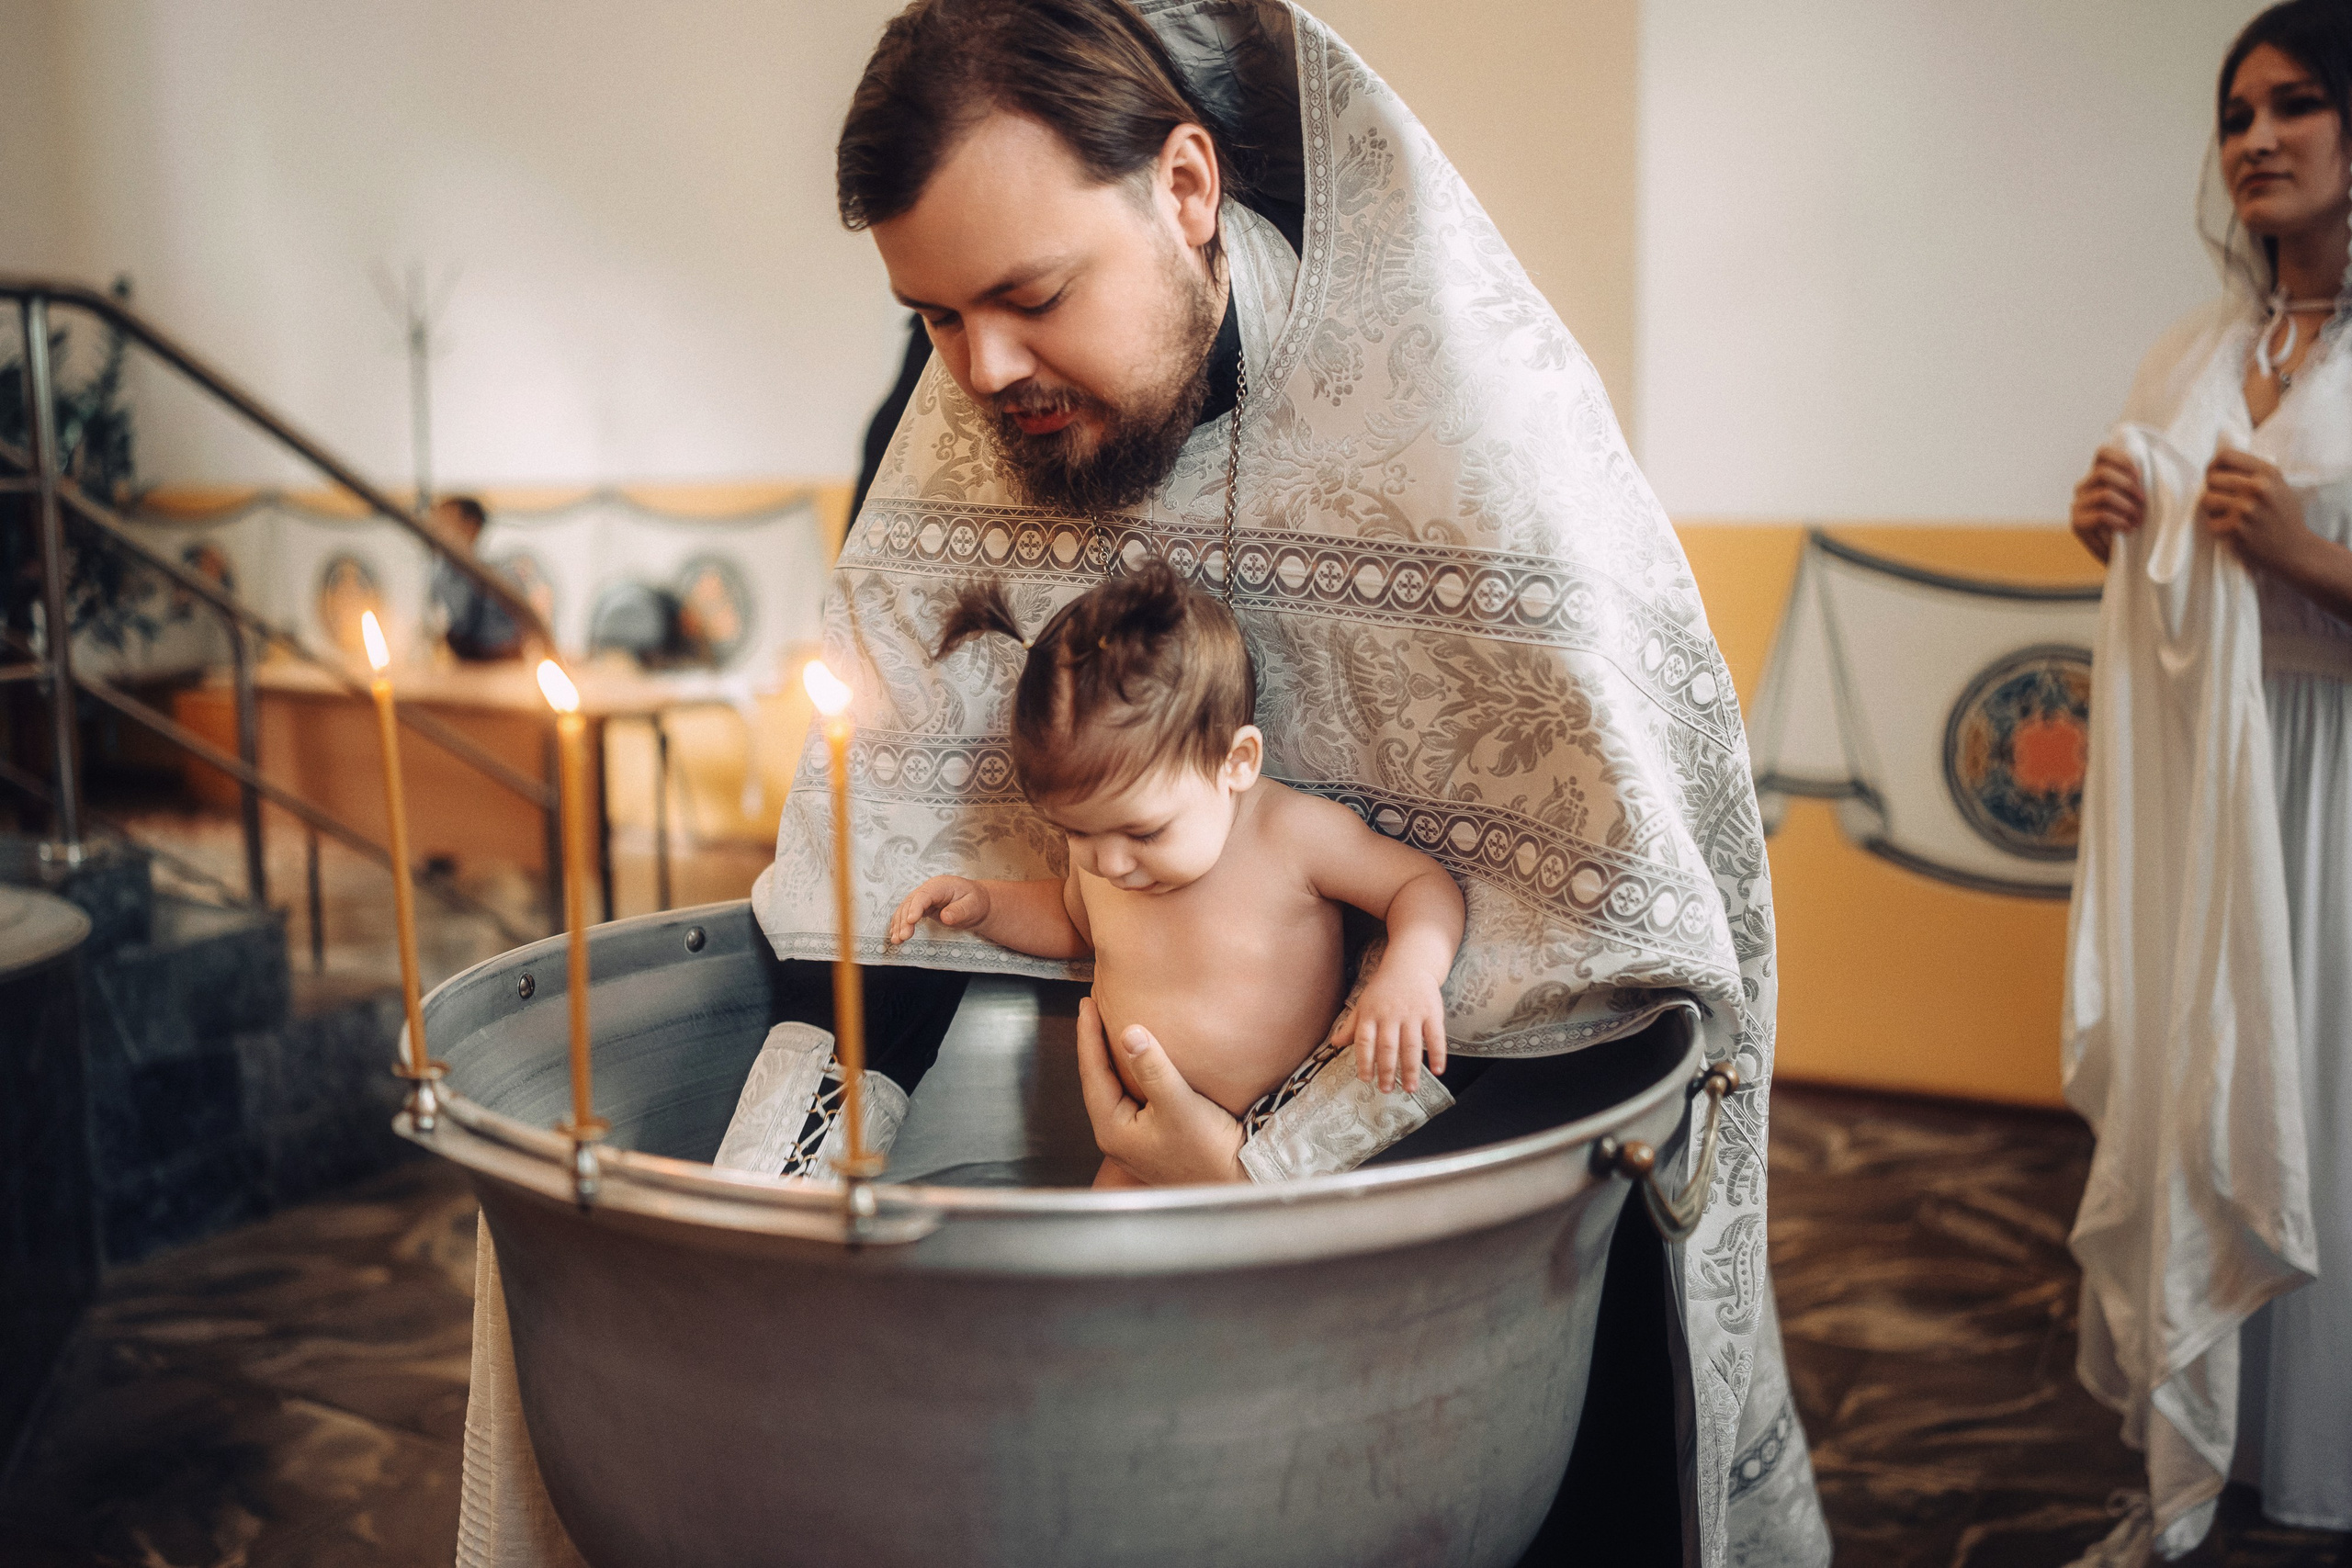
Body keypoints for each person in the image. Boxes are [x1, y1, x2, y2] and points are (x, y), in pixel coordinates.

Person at [459, 5, 1831, 1563]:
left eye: (1029, 296)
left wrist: (1271, 1173)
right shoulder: (962, 437)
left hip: (1457, 1242)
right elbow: (889, 879)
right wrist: (752, 1227)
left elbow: (1596, 974)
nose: (980, 371)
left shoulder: (1480, 444)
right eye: (930, 317)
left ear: (1188, 186)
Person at [2065, 1, 2352, 1556]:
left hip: (2342, 790)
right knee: (2220, 1091)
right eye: (2237, 113)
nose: (2255, 138)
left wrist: (2311, 556)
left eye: (2296, 105)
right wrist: (2115, 518)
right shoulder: (2198, 349)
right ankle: (2230, 1440)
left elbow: (2294, 562)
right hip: (2213, 809)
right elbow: (2151, 556)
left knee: (2335, 1105)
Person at [885, 563, 1464, 1185]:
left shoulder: (1291, 835)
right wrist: (986, 904)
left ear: (1235, 761)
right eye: (1077, 831)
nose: (1108, 863)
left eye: (1145, 832)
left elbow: (1420, 886)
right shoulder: (1111, 860)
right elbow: (1075, 923)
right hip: (1138, 1147)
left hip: (1287, 1141)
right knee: (1097, 1269)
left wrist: (1410, 972)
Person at [425, 494, 525, 661]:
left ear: (471, 526)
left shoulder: (501, 579)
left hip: (498, 669)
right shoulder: (440, 577)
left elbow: (509, 641)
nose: (434, 529)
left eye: (445, 522)